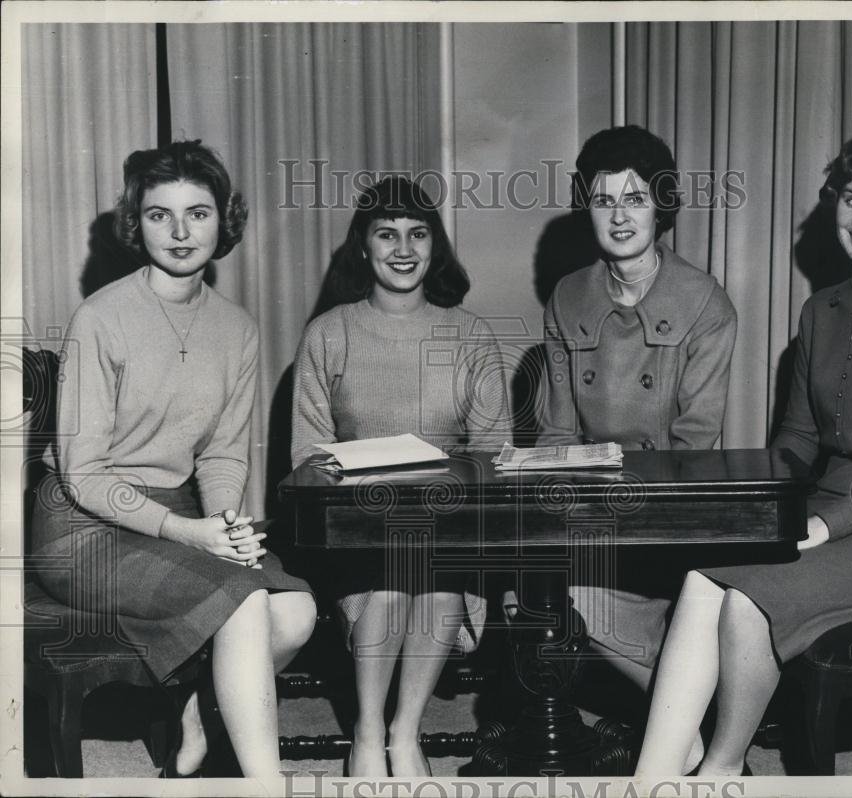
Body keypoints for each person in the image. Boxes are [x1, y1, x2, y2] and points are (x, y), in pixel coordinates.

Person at [633, 125, 852, 779]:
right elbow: (796, 441)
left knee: (747, 600)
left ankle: (722, 770)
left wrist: (823, 524)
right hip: (825, 507)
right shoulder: (820, 311)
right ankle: (653, 776)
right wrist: (748, 502)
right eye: (850, 199)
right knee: (703, 578)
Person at [31, 140, 317, 779]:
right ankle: (266, 787)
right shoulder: (100, 317)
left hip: (181, 511)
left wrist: (225, 523)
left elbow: (221, 453)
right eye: (161, 215)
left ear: (225, 220)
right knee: (243, 601)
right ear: (137, 223)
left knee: (295, 612)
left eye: (199, 212)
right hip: (79, 525)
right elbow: (83, 474)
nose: (182, 232)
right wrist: (192, 533)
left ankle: (195, 706)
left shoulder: (237, 328)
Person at [290, 176, 512, 777]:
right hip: (358, 532)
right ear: (362, 246)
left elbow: (495, 457)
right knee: (391, 583)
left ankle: (403, 732)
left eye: (418, 234)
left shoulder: (471, 336)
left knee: (434, 581)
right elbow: (308, 462)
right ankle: (366, 731)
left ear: (435, 247)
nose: (403, 249)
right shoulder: (328, 333)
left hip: (451, 527)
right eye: (386, 234)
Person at [526, 125, 737, 752]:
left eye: (636, 198)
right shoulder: (568, 296)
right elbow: (557, 432)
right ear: (585, 206)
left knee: (571, 591)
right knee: (530, 580)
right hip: (586, 502)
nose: (619, 215)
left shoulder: (704, 302)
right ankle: (678, 721)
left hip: (670, 509)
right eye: (603, 198)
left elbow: (695, 443)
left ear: (661, 206)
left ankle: (677, 721)